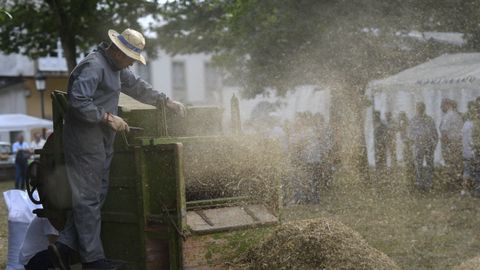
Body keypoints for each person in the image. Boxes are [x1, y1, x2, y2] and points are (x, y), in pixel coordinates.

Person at [49, 28, 185, 270]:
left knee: (96, 195)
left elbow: (138, 87)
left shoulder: (116, 68)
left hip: (101, 140)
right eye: (131, 58)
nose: (132, 62)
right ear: (119, 51)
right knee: (89, 199)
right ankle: (93, 261)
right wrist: (107, 118)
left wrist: (165, 101)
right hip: (84, 141)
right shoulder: (94, 65)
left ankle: (63, 248)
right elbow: (77, 100)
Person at [408, 102, 438, 191]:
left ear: (424, 108)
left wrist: (434, 144)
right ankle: (419, 184)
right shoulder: (413, 120)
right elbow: (410, 134)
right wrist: (416, 140)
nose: (419, 109)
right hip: (418, 145)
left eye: (421, 107)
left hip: (428, 145)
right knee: (418, 165)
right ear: (416, 109)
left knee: (429, 165)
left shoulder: (429, 119)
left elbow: (435, 134)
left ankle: (429, 183)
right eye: (418, 107)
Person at [439, 99, 463, 187]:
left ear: (448, 104)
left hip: (450, 143)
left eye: (442, 105)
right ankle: (457, 182)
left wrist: (446, 146)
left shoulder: (449, 116)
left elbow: (444, 132)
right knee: (457, 163)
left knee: (450, 163)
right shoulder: (457, 115)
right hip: (457, 142)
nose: (441, 108)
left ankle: (451, 183)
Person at [462, 101, 476, 192]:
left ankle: (466, 189)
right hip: (472, 150)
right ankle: (472, 188)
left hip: (466, 150)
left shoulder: (465, 124)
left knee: (467, 170)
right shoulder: (473, 125)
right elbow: (472, 139)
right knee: (473, 170)